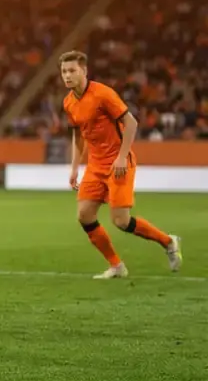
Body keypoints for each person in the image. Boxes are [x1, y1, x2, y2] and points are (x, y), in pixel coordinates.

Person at [59, 51, 182, 278]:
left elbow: (131, 123)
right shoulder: (69, 103)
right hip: (95, 165)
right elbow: (78, 136)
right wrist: (75, 167)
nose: (67, 75)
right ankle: (117, 266)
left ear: (84, 71)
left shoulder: (103, 94)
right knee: (84, 215)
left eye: (72, 70)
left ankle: (168, 241)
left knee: (121, 221)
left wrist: (121, 157)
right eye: (64, 71)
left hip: (119, 163)